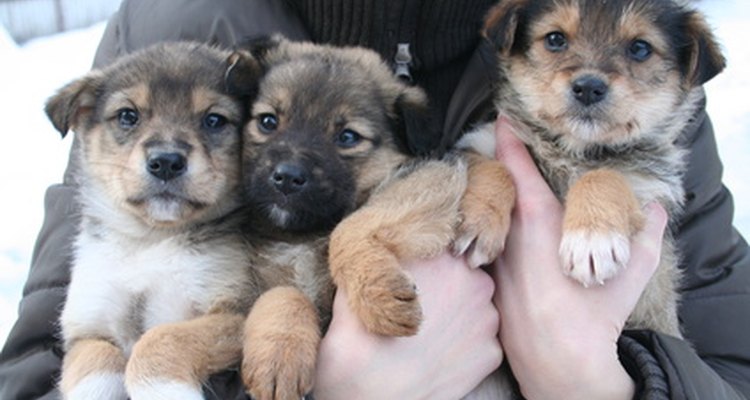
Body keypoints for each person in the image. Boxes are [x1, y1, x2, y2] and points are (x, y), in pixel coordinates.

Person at [1, 0, 748, 399]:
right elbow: (43, 365)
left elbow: (730, 367)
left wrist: (591, 380)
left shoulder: (628, 102)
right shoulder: (179, 35)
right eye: (261, 124)